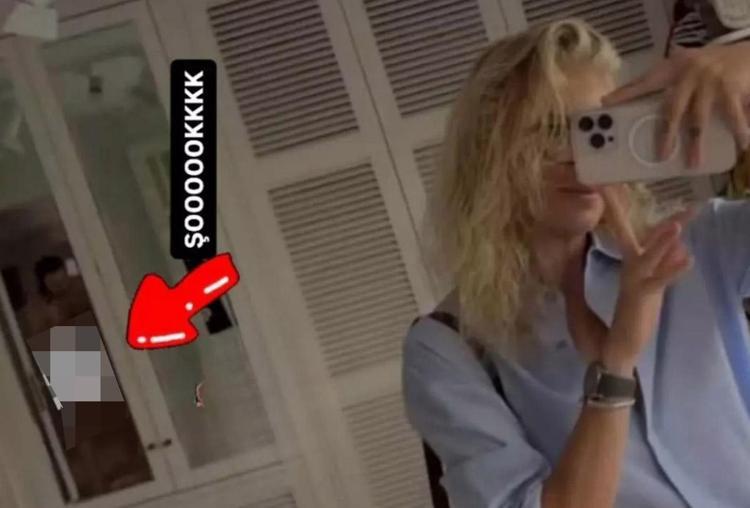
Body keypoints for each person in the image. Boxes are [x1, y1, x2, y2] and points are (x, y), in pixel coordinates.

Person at [402, 11, 750, 508]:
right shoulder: (450, 347)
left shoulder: (697, 240)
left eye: (596, 127)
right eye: (550, 131)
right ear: (488, 155)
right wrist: (617, 362)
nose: (579, 155)